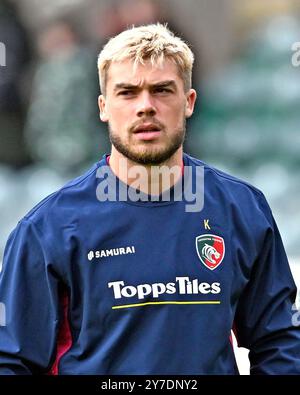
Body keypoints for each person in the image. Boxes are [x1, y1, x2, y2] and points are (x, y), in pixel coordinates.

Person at [0, 23, 299, 375]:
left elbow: (279, 341)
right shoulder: (48, 229)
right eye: (127, 92)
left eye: (161, 90)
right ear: (103, 106)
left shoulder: (241, 209)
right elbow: (11, 361)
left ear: (188, 102)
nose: (146, 107)